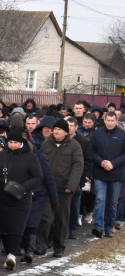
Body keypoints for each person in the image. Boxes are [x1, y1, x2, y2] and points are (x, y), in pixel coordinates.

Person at [0, 128, 42, 270]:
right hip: (2, 196)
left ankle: (12, 255)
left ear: (21, 143)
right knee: (3, 227)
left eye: (15, 142)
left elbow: (38, 177)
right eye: (10, 142)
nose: (12, 145)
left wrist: (23, 187)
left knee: (17, 226)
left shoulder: (30, 157)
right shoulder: (1, 156)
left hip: (21, 198)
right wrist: (0, 183)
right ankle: (8, 251)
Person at [37, 119, 82, 257]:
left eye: (59, 129)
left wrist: (71, 185)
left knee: (61, 219)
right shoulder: (46, 144)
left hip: (64, 188)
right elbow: (40, 163)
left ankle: (59, 246)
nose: (56, 131)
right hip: (48, 188)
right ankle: (41, 246)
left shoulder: (74, 145)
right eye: (55, 128)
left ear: (66, 132)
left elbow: (78, 166)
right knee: (44, 218)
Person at [89, 109, 125, 238]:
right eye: (108, 121)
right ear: (104, 120)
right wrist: (102, 162)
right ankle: (98, 226)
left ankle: (109, 226)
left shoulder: (122, 134)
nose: (110, 123)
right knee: (100, 198)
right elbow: (92, 151)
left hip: (116, 173)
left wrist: (113, 164)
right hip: (100, 172)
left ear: (116, 121)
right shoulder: (97, 134)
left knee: (113, 201)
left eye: (112, 121)